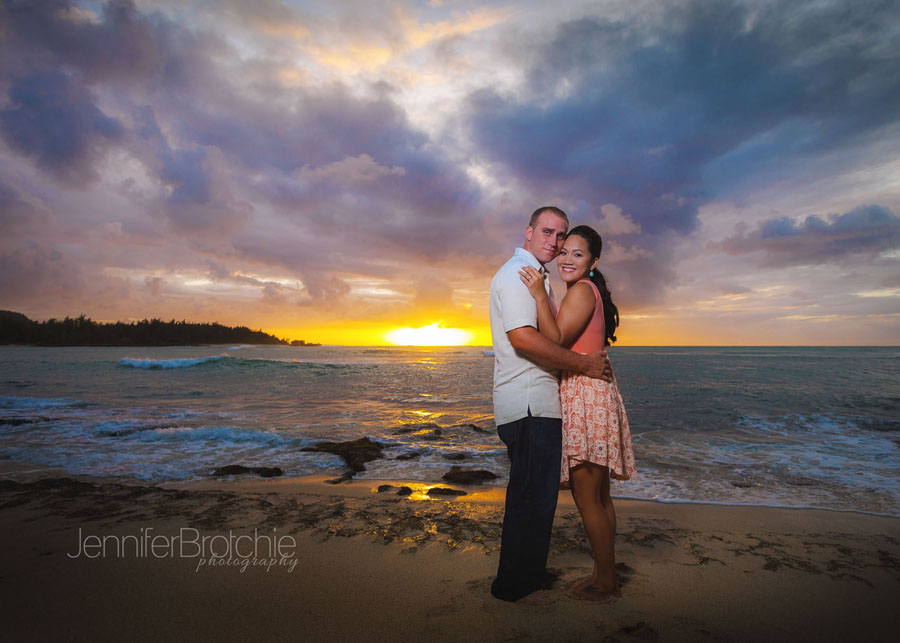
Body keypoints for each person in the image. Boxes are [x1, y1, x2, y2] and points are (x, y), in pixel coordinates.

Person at [489, 206, 613, 602]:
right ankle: (512, 583)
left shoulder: (542, 280)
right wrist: (583, 364)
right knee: (530, 495)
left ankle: (530, 573)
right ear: (528, 231)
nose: (555, 244)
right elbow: (525, 339)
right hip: (528, 403)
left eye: (562, 237)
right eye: (548, 233)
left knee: (541, 496)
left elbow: (551, 335)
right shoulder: (517, 275)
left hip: (544, 403)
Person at [518, 224, 635, 601]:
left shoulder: (582, 292)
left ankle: (606, 583)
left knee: (588, 498)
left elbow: (554, 341)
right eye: (564, 251)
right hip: (593, 394)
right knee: (600, 497)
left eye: (577, 254)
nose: (567, 259)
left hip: (585, 396)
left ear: (593, 262)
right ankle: (604, 574)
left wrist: (537, 294)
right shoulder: (586, 291)